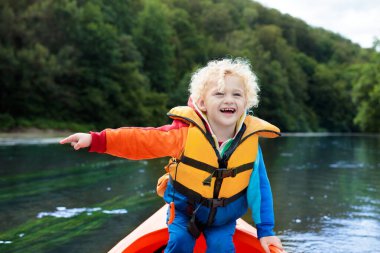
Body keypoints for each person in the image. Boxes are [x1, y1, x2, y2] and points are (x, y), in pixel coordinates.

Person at [60, 58, 284, 253]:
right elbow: (140, 141)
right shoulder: (183, 135)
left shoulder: (250, 145)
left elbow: (260, 191)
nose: (229, 99)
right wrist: (96, 140)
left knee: (221, 248)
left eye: (237, 94)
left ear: (246, 102)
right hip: (185, 211)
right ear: (202, 103)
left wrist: (266, 231)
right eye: (219, 93)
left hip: (223, 219)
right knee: (180, 240)